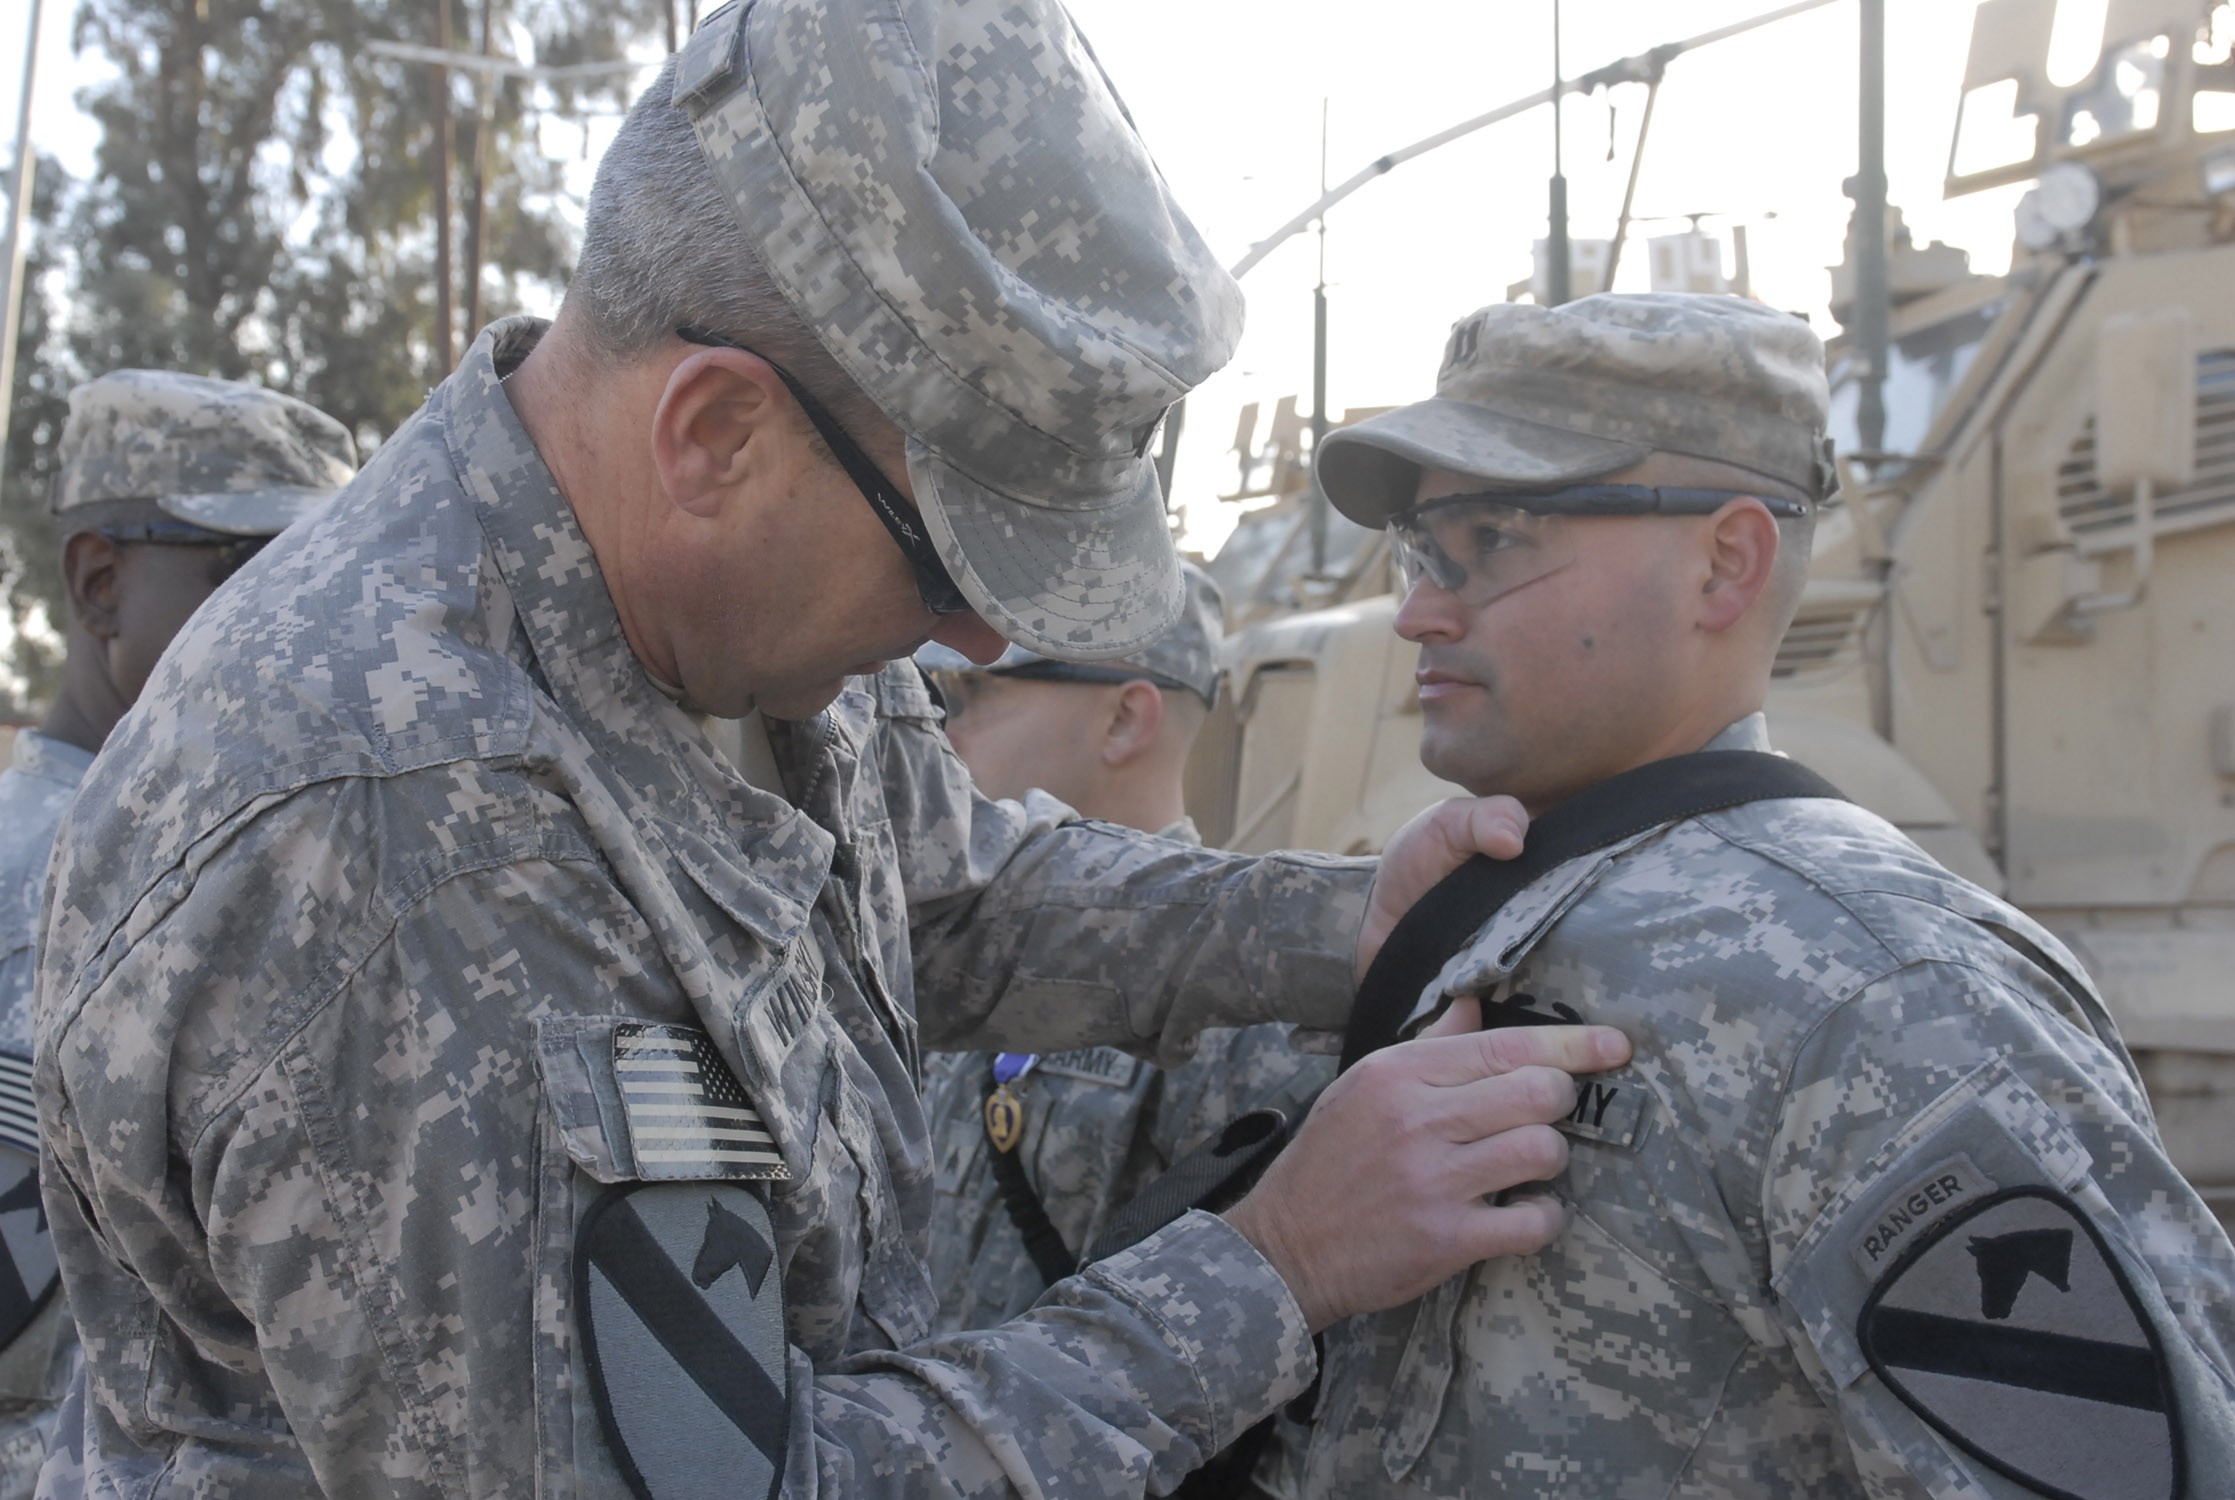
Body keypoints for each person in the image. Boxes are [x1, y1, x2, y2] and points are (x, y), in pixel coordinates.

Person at [30, 5, 1626, 1496]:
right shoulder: (406, 843)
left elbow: (946, 894)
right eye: (949, 567)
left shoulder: (731, 590)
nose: (982, 643)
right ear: (712, 433)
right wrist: (1272, 1265)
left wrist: (1333, 922)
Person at [1287, 290, 2235, 1498]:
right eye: (1423, 548)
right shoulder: (1494, 903)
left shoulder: (1894, 999)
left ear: (1726, 562)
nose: (1420, 610)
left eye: (1497, 540)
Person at [0, 371, 352, 1498]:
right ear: (100, 583)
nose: (293, 619)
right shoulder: (55, 891)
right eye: (241, 572)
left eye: (320, 576)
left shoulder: (210, 861)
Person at [915, 562, 1334, 1494]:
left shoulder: (1256, 1015)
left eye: (969, 694)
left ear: (1124, 720)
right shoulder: (931, 953)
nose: (939, 729)